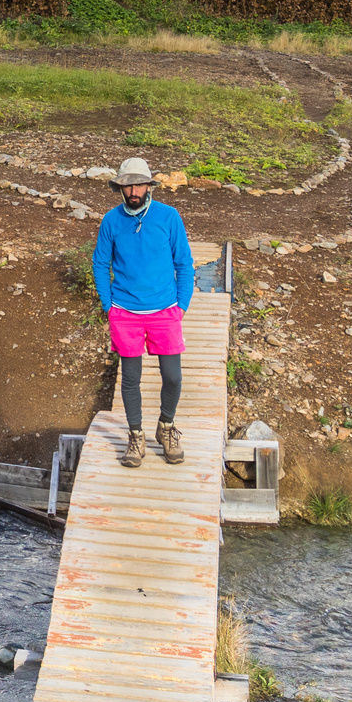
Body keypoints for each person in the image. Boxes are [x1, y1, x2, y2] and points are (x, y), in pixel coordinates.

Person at [90, 154, 195, 467]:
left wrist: (182, 305)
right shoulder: (111, 221)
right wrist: (109, 306)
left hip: (165, 309)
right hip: (124, 311)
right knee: (130, 379)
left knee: (172, 377)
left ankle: (166, 427)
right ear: (120, 188)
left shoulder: (168, 217)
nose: (134, 192)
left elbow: (184, 263)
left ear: (149, 186)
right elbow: (99, 263)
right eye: (128, 186)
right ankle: (135, 436)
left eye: (139, 185)